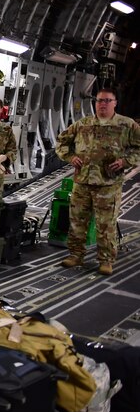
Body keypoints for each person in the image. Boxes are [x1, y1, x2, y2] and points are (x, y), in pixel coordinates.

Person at [55, 87, 140, 275]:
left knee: (105, 224)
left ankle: (106, 260)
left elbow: (138, 148)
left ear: (115, 103)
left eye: (107, 101)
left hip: (108, 184)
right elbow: (61, 142)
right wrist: (70, 157)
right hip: (82, 182)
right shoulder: (83, 124)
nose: (103, 104)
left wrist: (125, 161)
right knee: (77, 221)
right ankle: (76, 254)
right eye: (100, 100)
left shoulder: (127, 125)